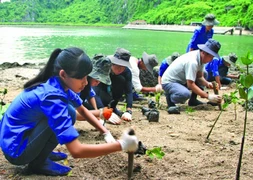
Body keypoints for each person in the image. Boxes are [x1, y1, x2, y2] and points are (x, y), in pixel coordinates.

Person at [0, 47, 138, 176]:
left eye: (87, 77)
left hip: (17, 135)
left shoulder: (59, 83)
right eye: (82, 78)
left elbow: (82, 111)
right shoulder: (52, 97)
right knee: (66, 113)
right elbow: (76, 150)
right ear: (63, 74)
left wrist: (105, 132)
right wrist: (121, 145)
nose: (86, 83)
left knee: (71, 112)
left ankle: (42, 154)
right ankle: (37, 163)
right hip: (16, 150)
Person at [162, 39, 222, 114]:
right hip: (169, 82)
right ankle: (170, 98)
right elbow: (191, 84)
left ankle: (193, 100)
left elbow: (200, 77)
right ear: (205, 53)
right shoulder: (193, 62)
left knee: (205, 74)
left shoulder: (200, 58)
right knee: (185, 94)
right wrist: (208, 96)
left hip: (181, 80)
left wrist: (207, 83)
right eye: (211, 57)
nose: (211, 60)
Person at [93, 48, 133, 124]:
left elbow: (129, 91)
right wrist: (103, 112)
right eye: (118, 66)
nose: (120, 69)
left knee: (121, 79)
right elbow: (95, 91)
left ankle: (112, 108)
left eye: (123, 67)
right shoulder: (103, 67)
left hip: (111, 89)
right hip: (97, 91)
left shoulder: (126, 72)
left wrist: (129, 110)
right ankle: (101, 109)